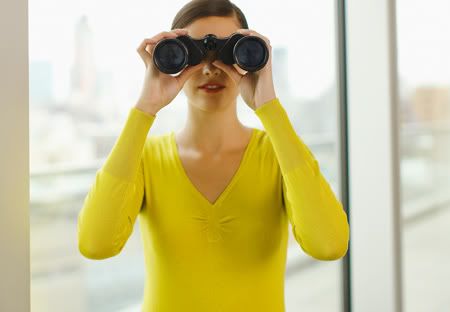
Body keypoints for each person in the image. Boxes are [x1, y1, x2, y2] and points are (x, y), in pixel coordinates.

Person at [77, 0, 350, 311]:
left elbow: (329, 244)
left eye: (225, 53)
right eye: (192, 52)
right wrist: (145, 108)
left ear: (250, 55)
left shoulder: (278, 156)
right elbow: (95, 243)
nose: (209, 68)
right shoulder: (146, 159)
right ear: (172, 56)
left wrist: (269, 107)